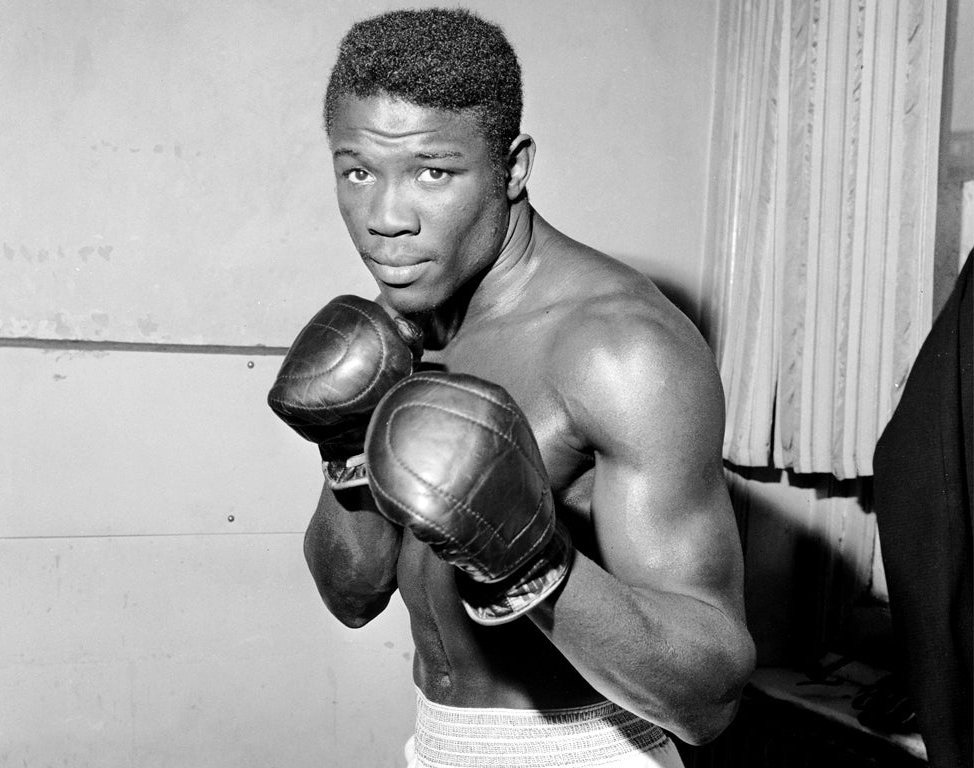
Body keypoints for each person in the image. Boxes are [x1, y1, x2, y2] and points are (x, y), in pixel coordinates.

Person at [268, 8, 755, 767]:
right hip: (435, 744)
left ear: (514, 165)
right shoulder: (409, 325)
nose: (387, 218)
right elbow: (352, 596)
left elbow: (711, 697)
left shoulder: (621, 349)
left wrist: (534, 563)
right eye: (359, 169)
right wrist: (345, 452)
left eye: (434, 171)